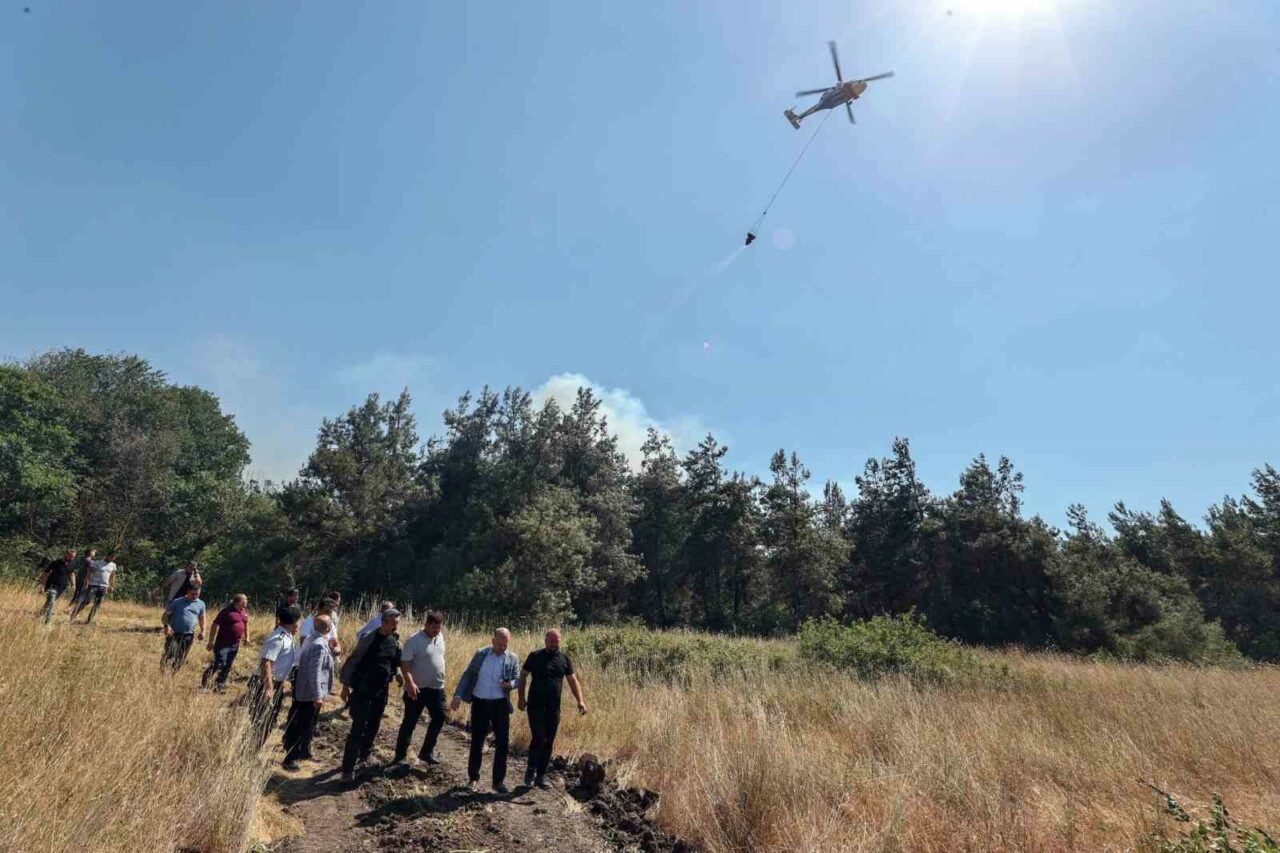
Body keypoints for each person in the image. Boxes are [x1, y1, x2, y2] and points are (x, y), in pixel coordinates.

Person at [451, 627, 521, 793]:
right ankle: (473, 779)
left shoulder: (512, 658)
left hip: (500, 705)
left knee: (502, 743)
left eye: (505, 644)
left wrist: (510, 684)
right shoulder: (481, 654)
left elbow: (518, 680)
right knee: (477, 741)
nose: (502, 647)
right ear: (493, 641)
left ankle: (498, 782)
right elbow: (468, 674)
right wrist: (458, 695)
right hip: (480, 703)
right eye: (499, 644)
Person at [518, 628, 588, 789]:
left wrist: (581, 701)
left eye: (557, 641)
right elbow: (523, 676)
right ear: (545, 640)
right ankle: (531, 769)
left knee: (549, 741)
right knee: (539, 737)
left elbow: (572, 681)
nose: (554, 644)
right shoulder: (535, 656)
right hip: (535, 705)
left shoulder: (564, 659)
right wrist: (521, 698)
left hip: (553, 707)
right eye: (551, 641)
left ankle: (541, 776)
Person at [338, 608, 402, 782]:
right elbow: (353, 661)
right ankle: (347, 770)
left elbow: (395, 662)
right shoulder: (369, 640)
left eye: (397, 623)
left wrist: (398, 675)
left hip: (381, 692)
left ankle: (364, 757)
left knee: (374, 724)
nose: (396, 626)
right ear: (385, 622)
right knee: (358, 728)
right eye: (394, 623)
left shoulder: (394, 641)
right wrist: (345, 687)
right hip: (363, 691)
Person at [393, 611, 447, 766]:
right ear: (426, 624)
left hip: (436, 688)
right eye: (433, 627)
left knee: (440, 717)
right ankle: (400, 756)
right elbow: (405, 664)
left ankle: (427, 752)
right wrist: (410, 683)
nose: (436, 630)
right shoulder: (414, 640)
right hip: (416, 689)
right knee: (410, 721)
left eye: (438, 627)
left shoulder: (440, 638)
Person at [282, 613, 335, 770]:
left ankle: (303, 752)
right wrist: (318, 695)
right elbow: (315, 671)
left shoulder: (312, 639)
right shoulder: (318, 644)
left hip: (304, 689)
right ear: (329, 627)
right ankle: (292, 758)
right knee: (302, 725)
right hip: (309, 693)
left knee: (303, 723)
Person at [248, 606, 300, 749]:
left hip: (276, 683)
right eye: (297, 622)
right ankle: (249, 751)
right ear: (291, 622)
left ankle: (253, 750)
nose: (298, 625)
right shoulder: (278, 639)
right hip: (265, 683)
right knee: (262, 720)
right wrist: (269, 688)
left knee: (269, 720)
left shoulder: (288, 637)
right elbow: (266, 664)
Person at [202, 594, 249, 692]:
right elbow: (214, 625)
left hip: (235, 644)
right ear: (239, 601)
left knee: (228, 665)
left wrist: (247, 637)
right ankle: (206, 678)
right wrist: (211, 641)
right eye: (245, 600)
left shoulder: (243, 612)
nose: (247, 602)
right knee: (220, 663)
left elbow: (246, 624)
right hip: (222, 643)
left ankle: (219, 685)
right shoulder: (226, 611)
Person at [161, 584, 207, 672]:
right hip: (174, 633)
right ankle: (163, 671)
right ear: (187, 592)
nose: (194, 596)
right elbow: (165, 615)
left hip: (188, 635)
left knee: (181, 657)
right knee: (170, 653)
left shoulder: (201, 604)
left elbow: (202, 617)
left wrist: (203, 631)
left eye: (197, 594)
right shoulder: (177, 602)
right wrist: (166, 626)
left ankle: (173, 674)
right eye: (192, 594)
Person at [70, 552, 118, 623]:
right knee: (87, 601)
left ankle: (90, 620)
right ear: (107, 556)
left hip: (104, 586)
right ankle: (73, 615)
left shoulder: (113, 565)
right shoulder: (97, 562)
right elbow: (89, 572)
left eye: (114, 557)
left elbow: (113, 575)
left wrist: (112, 585)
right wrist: (86, 581)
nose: (112, 558)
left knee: (98, 603)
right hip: (93, 584)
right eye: (111, 557)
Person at [37, 549, 77, 624]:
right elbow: (45, 574)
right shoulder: (56, 563)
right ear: (66, 554)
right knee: (52, 601)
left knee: (50, 601)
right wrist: (42, 585)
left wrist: (73, 584)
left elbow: (72, 574)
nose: (71, 558)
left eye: (73, 557)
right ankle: (48, 621)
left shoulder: (71, 564)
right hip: (52, 585)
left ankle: (41, 613)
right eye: (70, 556)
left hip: (61, 587)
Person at [64, 548, 92, 614]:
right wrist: (87, 582)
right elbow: (89, 573)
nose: (95, 552)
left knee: (77, 595)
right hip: (84, 580)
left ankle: (69, 608)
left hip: (79, 578)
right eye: (93, 551)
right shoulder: (89, 561)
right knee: (81, 596)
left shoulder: (82, 559)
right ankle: (70, 609)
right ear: (90, 553)